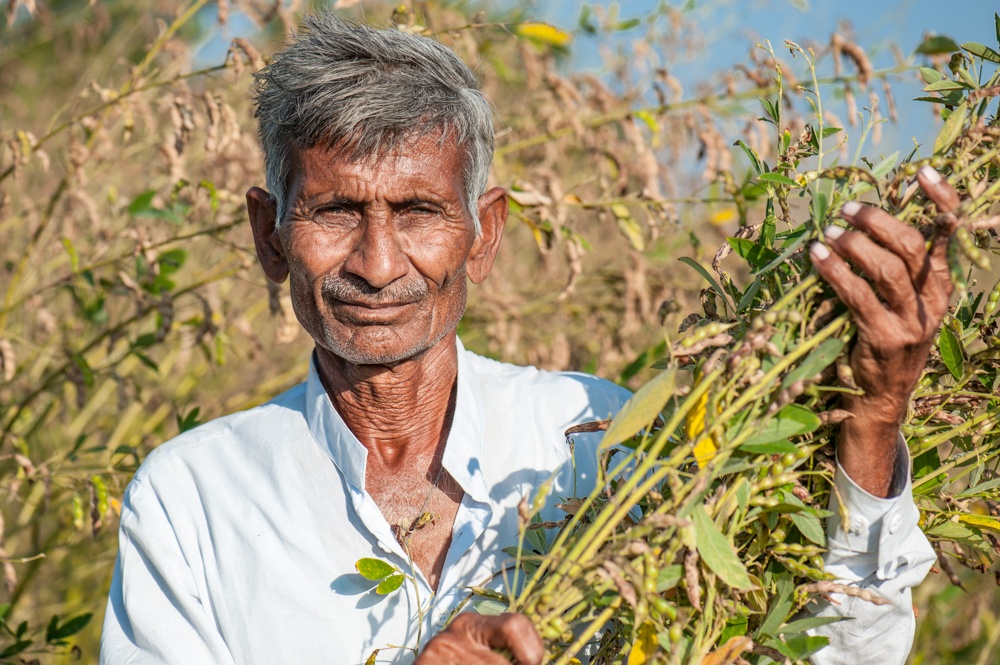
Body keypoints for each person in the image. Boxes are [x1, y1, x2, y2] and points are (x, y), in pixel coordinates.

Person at [99, 13, 955, 665]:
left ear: (485, 233)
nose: (376, 260)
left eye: (419, 211)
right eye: (334, 210)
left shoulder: (606, 441)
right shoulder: (194, 497)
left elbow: (833, 648)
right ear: (269, 235)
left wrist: (872, 420)